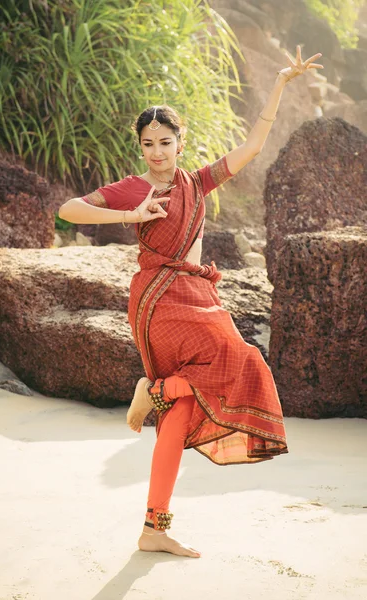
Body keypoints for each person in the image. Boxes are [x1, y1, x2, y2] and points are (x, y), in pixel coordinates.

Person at [59, 46, 323, 559]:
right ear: (139, 147)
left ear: (181, 141)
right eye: (147, 144)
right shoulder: (133, 188)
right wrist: (130, 215)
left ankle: (153, 527)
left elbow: (251, 146)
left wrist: (279, 87)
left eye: (165, 142)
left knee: (180, 414)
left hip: (198, 292)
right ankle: (155, 387)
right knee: (240, 357)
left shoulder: (198, 182)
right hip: (160, 298)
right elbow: (69, 210)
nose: (157, 152)